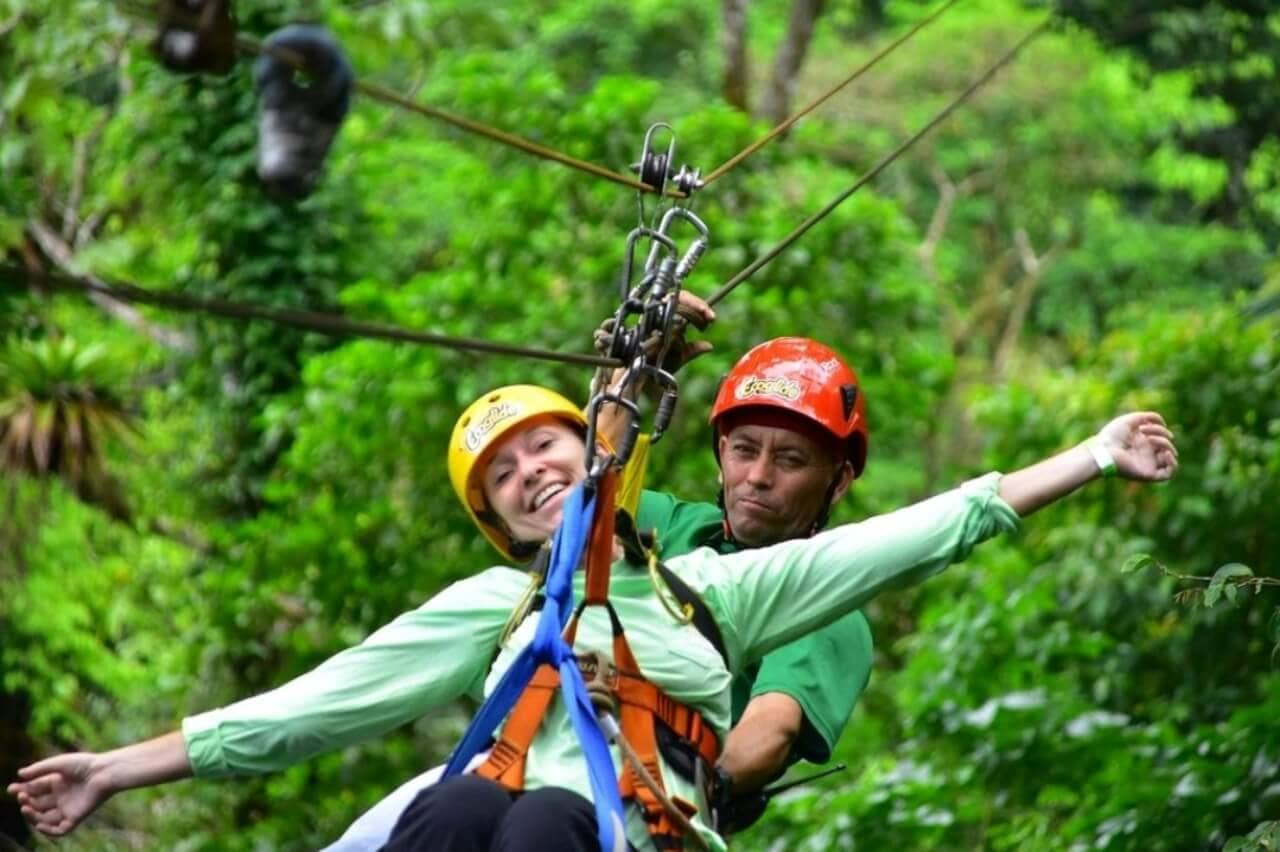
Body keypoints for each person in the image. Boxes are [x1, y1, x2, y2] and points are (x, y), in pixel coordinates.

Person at [8, 382, 1178, 851]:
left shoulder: (721, 588)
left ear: (599, 464)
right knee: (464, 804)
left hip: (630, 834)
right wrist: (116, 768)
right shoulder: (491, 606)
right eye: (504, 473)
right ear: (502, 525)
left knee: (535, 825)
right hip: (501, 822)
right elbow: (310, 710)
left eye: (550, 448)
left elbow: (923, 529)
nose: (532, 472)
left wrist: (1086, 454)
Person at [328, 337, 871, 850]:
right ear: (722, 451)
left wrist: (697, 775)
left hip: (639, 801)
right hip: (527, 752)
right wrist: (629, 377)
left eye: (790, 460)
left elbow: (771, 728)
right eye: (744, 450)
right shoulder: (670, 523)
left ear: (838, 480)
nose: (757, 476)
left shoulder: (829, 606)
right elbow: (584, 493)